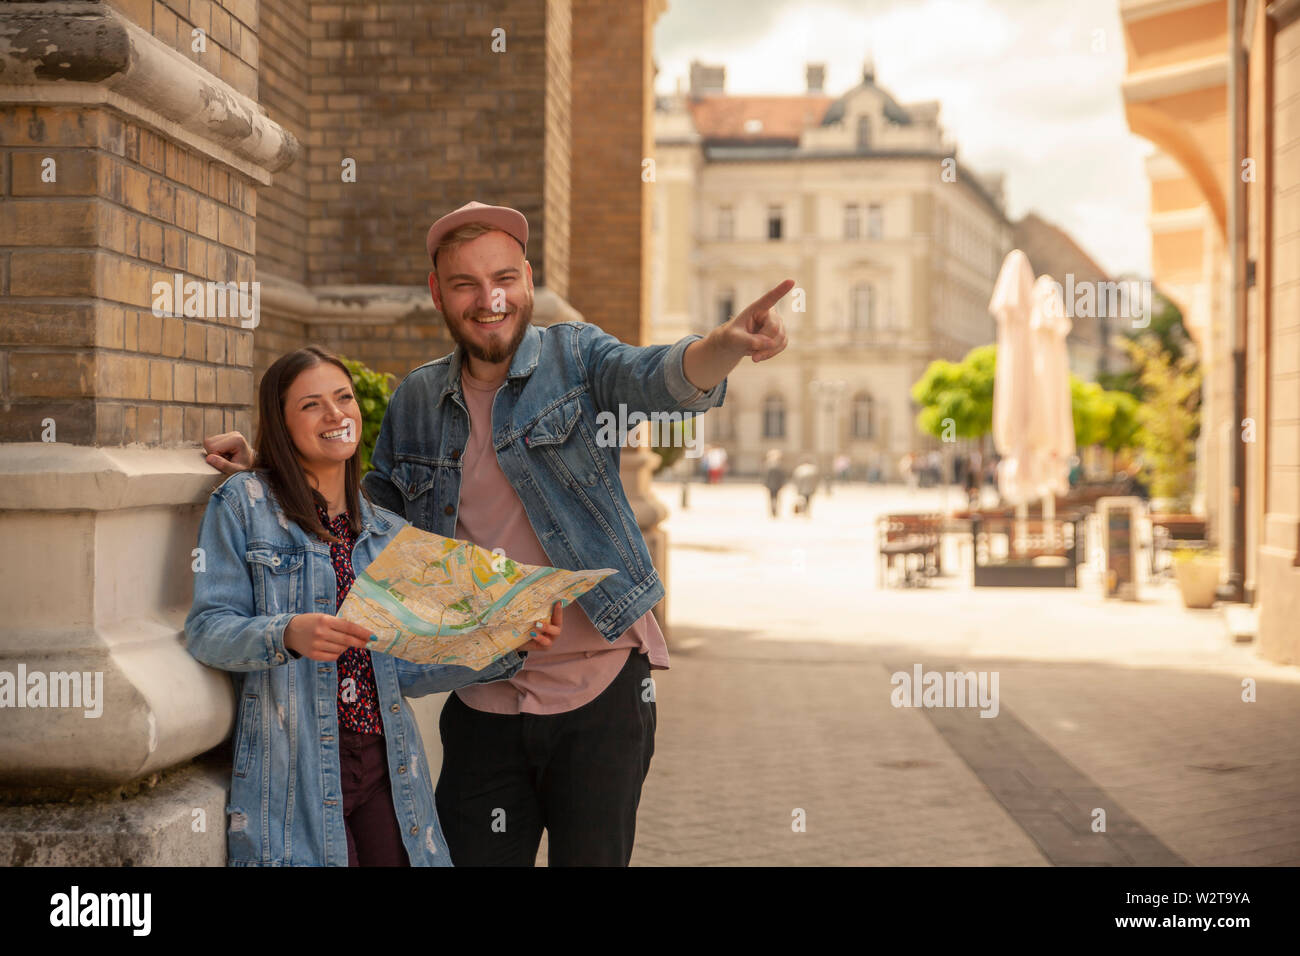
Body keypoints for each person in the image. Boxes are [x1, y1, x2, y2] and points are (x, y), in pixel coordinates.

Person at [202, 200, 792, 866]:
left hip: (599, 696)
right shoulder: (418, 402)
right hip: (484, 701)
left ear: (528, 281)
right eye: (466, 285)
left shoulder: (578, 359)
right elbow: (362, 523)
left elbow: (655, 379)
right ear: (438, 295)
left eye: (504, 279)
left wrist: (726, 346)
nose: (490, 300)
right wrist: (270, 463)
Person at [185, 346, 560, 866]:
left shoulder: (388, 534)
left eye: (343, 398)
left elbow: (402, 669)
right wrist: (286, 633)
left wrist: (505, 643)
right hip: (298, 764)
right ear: (281, 421)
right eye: (311, 405)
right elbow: (207, 629)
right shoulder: (245, 504)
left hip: (386, 759)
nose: (336, 414)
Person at [762, 449, 788, 518]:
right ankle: (775, 510)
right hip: (778, 485)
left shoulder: (768, 465)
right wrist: (783, 484)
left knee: (771, 498)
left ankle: (772, 510)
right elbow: (783, 476)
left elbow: (765, 476)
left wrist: (765, 484)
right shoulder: (779, 465)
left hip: (770, 485)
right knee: (776, 498)